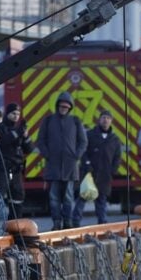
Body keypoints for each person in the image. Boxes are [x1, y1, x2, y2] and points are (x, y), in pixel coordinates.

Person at [37, 91, 86, 231]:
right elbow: (41, 141)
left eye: (66, 106)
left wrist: (77, 155)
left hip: (70, 167)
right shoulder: (48, 120)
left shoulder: (75, 121)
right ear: (57, 106)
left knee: (68, 197)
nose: (63, 108)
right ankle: (57, 222)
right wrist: (47, 155)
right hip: (53, 165)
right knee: (53, 197)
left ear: (70, 108)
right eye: (61, 106)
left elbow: (83, 141)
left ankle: (68, 222)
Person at [76, 109, 121, 225]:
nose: (105, 120)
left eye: (108, 118)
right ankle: (75, 221)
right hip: (89, 173)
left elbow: (117, 157)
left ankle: (102, 223)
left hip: (105, 175)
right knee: (83, 197)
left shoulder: (114, 139)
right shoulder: (90, 135)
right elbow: (83, 151)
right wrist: (86, 164)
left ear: (111, 121)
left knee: (101, 200)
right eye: (103, 118)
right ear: (99, 120)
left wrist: (113, 170)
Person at [0, 102, 33, 217]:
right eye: (13, 113)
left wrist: (25, 136)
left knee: (17, 198)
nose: (16, 116)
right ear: (7, 113)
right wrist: (17, 133)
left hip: (16, 170)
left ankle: (15, 227)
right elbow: (3, 142)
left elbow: (29, 149)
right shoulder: (1, 128)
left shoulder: (19, 130)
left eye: (18, 114)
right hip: (3, 169)